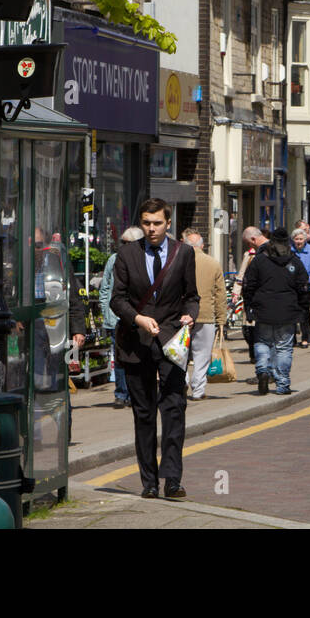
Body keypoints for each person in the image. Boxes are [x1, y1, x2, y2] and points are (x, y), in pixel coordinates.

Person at [109, 198, 200, 500]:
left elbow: (192, 295)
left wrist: (191, 314)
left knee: (174, 410)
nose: (151, 229)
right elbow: (117, 299)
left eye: (157, 223)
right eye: (146, 223)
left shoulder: (183, 253)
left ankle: (172, 479)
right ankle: (149, 481)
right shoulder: (126, 254)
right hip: (137, 342)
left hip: (172, 342)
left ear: (168, 223)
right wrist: (137, 318)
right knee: (144, 414)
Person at [243, 228, 309, 395]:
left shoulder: (259, 261)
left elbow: (248, 286)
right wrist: (302, 308)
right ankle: (283, 383)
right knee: (284, 347)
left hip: (263, 309)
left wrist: (249, 307)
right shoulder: (295, 261)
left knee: (262, 342)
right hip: (287, 311)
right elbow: (303, 287)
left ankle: (263, 371)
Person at [99, 226, 145, 408]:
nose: (124, 246)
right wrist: (105, 312)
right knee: (119, 358)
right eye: (122, 243)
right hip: (115, 317)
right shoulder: (113, 260)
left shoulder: (142, 260)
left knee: (136, 356)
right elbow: (105, 288)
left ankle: (135, 394)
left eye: (128, 243)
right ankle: (121, 393)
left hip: (136, 318)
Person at [182, 229, 227, 399]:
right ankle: (198, 390)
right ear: (201, 245)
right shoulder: (213, 263)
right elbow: (220, 294)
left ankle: (182, 382)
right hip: (206, 314)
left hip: (182, 315)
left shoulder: (177, 261)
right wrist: (221, 319)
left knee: (180, 353)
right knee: (202, 355)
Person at [233, 226, 269, 355]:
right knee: (248, 328)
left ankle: (258, 357)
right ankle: (253, 352)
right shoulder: (248, 254)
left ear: (253, 239)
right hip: (250, 298)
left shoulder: (267, 253)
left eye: (248, 242)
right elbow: (242, 274)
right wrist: (236, 292)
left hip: (261, 299)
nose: (248, 245)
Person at [289, 226, 310, 347]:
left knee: (305, 313)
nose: (298, 241)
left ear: (305, 239)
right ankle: (292, 339)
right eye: (296, 239)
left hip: (306, 286)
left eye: (300, 239)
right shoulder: (290, 251)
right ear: (293, 240)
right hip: (292, 287)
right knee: (292, 313)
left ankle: (305, 338)